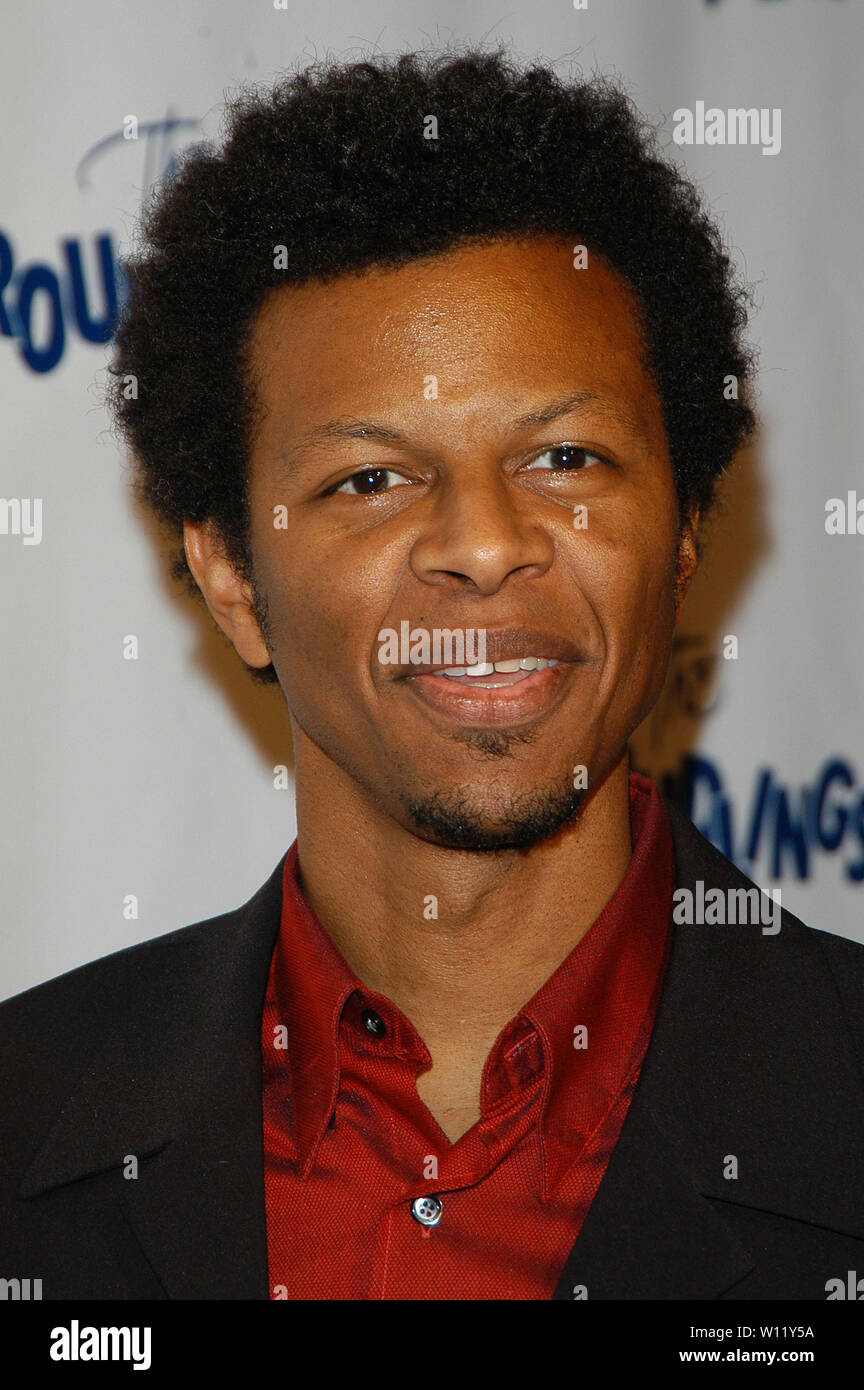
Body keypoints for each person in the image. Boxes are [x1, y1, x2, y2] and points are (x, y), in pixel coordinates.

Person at [2, 49, 863, 1302]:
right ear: (233, 578)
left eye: (565, 456)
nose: (484, 543)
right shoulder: (29, 1124)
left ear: (684, 529)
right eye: (370, 479)